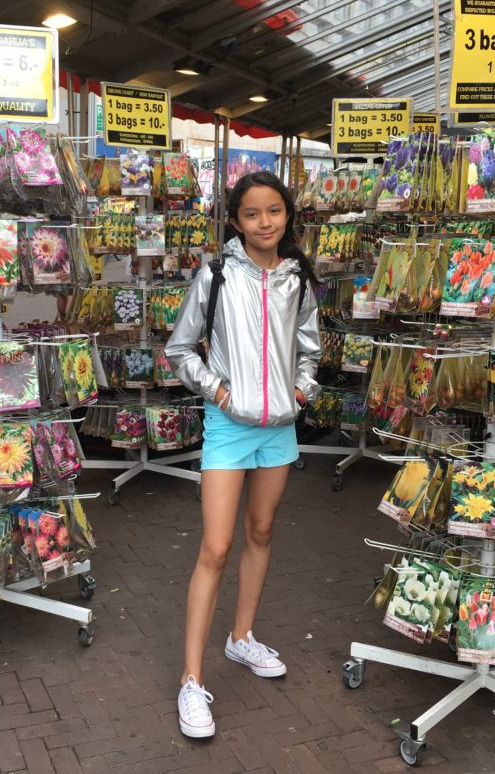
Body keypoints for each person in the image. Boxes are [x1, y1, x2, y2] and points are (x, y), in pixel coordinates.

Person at [164, 171, 321, 739]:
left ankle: (241, 638)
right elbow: (179, 348)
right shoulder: (215, 273)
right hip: (228, 428)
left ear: (287, 216)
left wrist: (302, 391)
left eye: (274, 211)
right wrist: (221, 391)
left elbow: (310, 346)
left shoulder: (298, 277)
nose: (264, 223)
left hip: (278, 428)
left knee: (261, 532)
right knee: (216, 545)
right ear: (235, 220)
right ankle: (190, 681)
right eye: (252, 214)